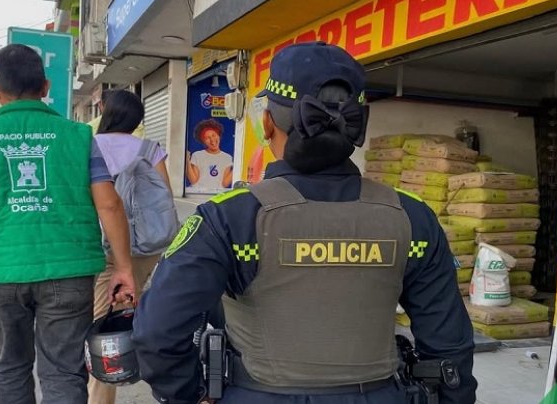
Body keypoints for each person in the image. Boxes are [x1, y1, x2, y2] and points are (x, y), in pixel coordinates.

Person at [132, 42, 477, 404]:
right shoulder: (411, 217)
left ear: (267, 123)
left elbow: (157, 333)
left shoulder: (228, 218)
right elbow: (449, 347)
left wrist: (189, 394)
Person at [0, 43, 136, 404]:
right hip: (70, 271)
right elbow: (110, 204)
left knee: (10, 365)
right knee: (63, 368)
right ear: (45, 88)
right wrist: (123, 266)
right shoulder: (77, 136)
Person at [88, 89, 174, 404]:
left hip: (102, 247)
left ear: (106, 114)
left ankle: (100, 393)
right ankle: (137, 373)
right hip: (144, 249)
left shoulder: (89, 147)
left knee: (101, 327)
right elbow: (163, 196)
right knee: (123, 316)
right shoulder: (151, 149)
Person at [186, 119, 233, 192]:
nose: (212, 140)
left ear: (219, 135)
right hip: (198, 193)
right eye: (207, 138)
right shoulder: (197, 155)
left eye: (214, 135)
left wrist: (236, 166)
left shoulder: (227, 158)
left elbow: (224, 184)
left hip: (217, 195)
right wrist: (187, 161)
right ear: (203, 142)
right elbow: (193, 181)